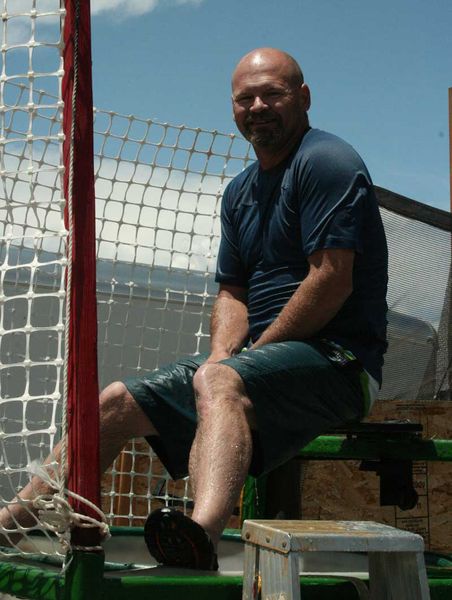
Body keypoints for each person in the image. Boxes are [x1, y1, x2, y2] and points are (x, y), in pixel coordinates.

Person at [0, 48, 388, 571]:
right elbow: (231, 292)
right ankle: (19, 521)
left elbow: (331, 279)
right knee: (115, 402)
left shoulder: (325, 162)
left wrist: (241, 363)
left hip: (341, 364)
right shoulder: (240, 192)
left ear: (304, 98)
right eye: (244, 97)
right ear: (232, 108)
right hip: (260, 366)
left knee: (220, 382)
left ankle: (200, 535)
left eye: (272, 93)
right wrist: (224, 355)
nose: (258, 106)